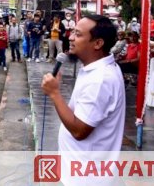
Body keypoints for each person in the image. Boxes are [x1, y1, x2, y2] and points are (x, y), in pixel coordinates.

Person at [41, 15, 125, 186]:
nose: (70, 37)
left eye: (78, 34)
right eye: (72, 32)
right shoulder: (94, 68)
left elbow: (79, 131)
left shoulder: (100, 79)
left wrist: (55, 93)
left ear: (98, 43)